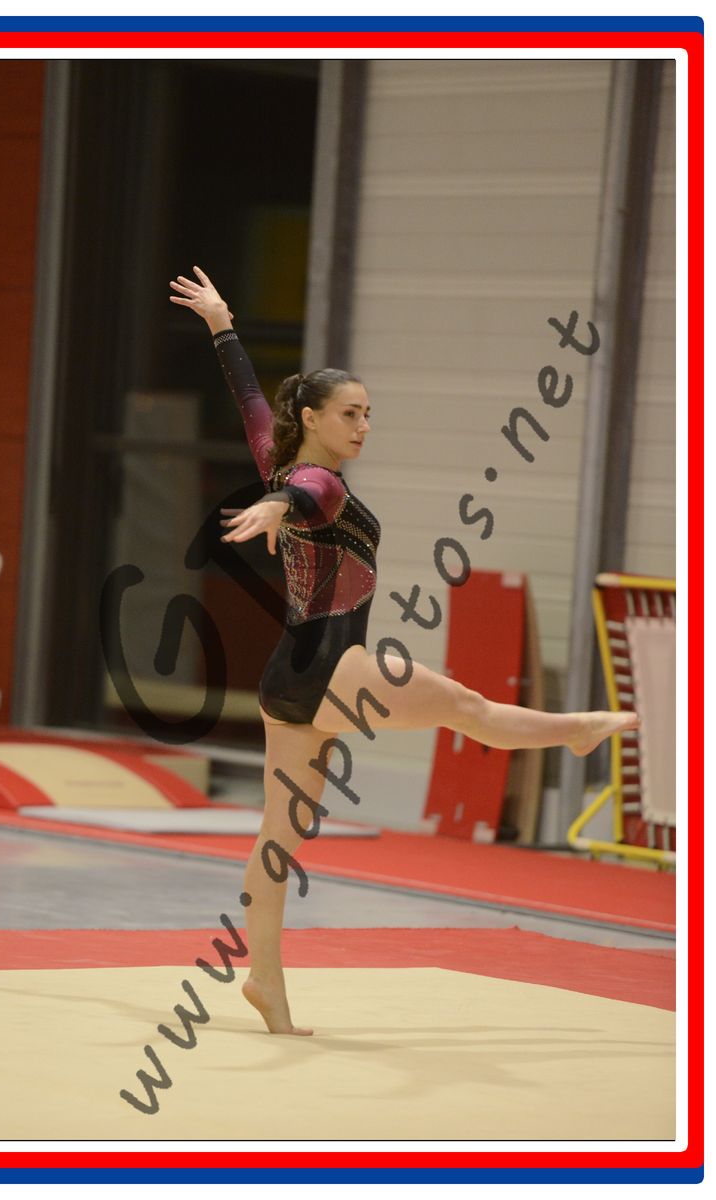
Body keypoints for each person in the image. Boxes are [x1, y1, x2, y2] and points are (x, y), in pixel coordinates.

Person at [169, 266, 640, 1036]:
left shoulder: (278, 457)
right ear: (314, 417)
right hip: (334, 665)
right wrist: (279, 505)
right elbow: (309, 494)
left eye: (368, 415)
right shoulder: (315, 481)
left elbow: (251, 403)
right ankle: (577, 730)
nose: (363, 426)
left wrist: (223, 325)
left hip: (288, 679)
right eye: (350, 414)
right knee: (468, 706)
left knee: (279, 838)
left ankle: (265, 982)